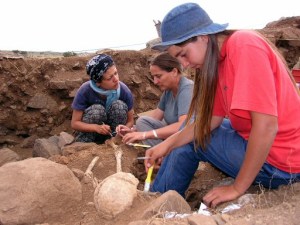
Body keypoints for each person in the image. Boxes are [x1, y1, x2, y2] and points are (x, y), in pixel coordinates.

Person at [144, 2, 300, 208]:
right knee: (193, 125)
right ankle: (158, 196)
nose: (185, 65)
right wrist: (167, 144)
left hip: (282, 164)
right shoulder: (219, 62)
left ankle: (158, 204)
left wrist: (237, 187)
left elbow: (266, 126)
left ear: (203, 37)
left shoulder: (244, 45)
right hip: (269, 152)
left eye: (183, 54)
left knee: (193, 139)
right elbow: (210, 121)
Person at [117, 52, 194, 147]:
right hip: (176, 138)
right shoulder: (168, 91)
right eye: (153, 77)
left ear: (174, 72)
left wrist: (145, 134)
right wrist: (132, 130)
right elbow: (153, 119)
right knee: (142, 121)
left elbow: (183, 126)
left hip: (190, 140)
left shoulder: (187, 89)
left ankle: (164, 156)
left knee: (143, 123)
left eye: (158, 76)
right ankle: (162, 154)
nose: (155, 81)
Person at [71, 54, 134, 143]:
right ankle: (84, 145)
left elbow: (130, 121)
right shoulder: (85, 90)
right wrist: (96, 128)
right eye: (110, 78)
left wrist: (124, 129)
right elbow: (75, 123)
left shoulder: (123, 90)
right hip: (90, 133)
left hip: (111, 136)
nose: (116, 79)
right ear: (97, 82)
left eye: (115, 73)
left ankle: (114, 141)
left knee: (119, 106)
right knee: (97, 110)